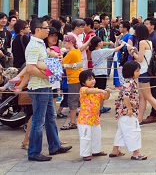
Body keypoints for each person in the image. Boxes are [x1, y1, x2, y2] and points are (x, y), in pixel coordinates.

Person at [26, 18, 72, 161]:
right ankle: (34, 152)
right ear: (38, 29)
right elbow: (30, 68)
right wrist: (48, 77)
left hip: (45, 86)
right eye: (46, 28)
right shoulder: (34, 45)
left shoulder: (40, 44)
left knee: (50, 117)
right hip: (39, 87)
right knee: (38, 121)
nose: (48, 30)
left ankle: (55, 145)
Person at [126, 23, 156, 127]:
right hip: (145, 71)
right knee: (143, 97)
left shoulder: (141, 42)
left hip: (143, 72)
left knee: (148, 96)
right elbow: (144, 55)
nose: (134, 32)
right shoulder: (148, 41)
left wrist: (131, 51)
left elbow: (139, 59)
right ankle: (139, 119)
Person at [110, 60, 147, 160]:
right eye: (137, 71)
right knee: (133, 131)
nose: (139, 73)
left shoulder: (129, 82)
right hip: (128, 112)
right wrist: (130, 109)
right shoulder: (129, 83)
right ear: (131, 72)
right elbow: (126, 97)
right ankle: (136, 153)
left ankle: (115, 150)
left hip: (123, 112)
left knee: (121, 131)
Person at [77, 69, 112, 161]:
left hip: (95, 118)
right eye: (89, 79)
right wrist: (101, 90)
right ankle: (85, 153)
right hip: (84, 120)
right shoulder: (83, 89)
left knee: (96, 135)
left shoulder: (96, 91)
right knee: (85, 137)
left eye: (93, 79)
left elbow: (105, 98)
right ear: (83, 82)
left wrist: (107, 92)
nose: (92, 81)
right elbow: (89, 91)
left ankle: (96, 150)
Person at [90, 36, 125, 114]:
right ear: (99, 44)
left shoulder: (93, 52)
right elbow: (115, 50)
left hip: (95, 72)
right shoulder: (101, 51)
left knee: (97, 91)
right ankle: (100, 108)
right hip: (101, 73)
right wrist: (122, 45)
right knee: (102, 91)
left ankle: (97, 106)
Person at [60, 34, 83, 130]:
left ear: (70, 43)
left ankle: (72, 122)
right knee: (77, 100)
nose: (63, 45)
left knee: (72, 101)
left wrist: (60, 54)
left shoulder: (70, 53)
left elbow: (61, 64)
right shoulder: (77, 51)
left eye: (65, 43)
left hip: (73, 79)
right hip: (78, 77)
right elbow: (79, 64)